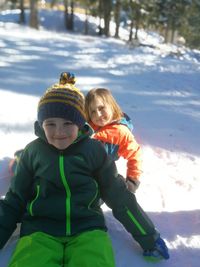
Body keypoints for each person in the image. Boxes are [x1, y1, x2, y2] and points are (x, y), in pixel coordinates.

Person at [0, 85, 169, 266]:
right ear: (41, 124)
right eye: (51, 124)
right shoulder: (33, 152)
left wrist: (149, 237)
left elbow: (118, 196)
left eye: (67, 123)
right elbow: (15, 200)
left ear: (80, 123)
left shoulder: (94, 151)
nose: (59, 132)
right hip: (39, 230)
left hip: (88, 229)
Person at [85, 88, 142, 193]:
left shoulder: (120, 132)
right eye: (93, 111)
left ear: (112, 105)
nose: (98, 114)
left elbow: (135, 155)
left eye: (101, 108)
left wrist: (133, 181)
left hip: (102, 175)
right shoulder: (88, 126)